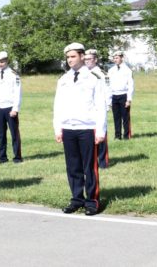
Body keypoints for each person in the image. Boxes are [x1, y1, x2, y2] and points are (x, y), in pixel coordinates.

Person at [53, 42, 107, 216]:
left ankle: (92, 201)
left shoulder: (94, 78)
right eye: (68, 57)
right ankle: (77, 198)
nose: (69, 60)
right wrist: (58, 128)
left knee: (89, 167)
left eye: (73, 56)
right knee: (73, 167)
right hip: (68, 127)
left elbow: (100, 105)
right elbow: (58, 105)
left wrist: (100, 131)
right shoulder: (64, 79)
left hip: (87, 127)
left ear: (82, 56)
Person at [0, 51, 22, 164]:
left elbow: (17, 92)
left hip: (10, 108)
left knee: (14, 133)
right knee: (1, 134)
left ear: (7, 61)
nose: (1, 64)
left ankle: (17, 156)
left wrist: (15, 108)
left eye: (2, 61)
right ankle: (2, 157)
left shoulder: (14, 75)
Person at [84, 49, 111, 169]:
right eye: (85, 59)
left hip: (99, 108)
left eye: (89, 59)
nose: (87, 61)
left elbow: (107, 91)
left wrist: (107, 105)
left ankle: (103, 161)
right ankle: (91, 160)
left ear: (95, 60)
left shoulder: (102, 74)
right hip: (87, 109)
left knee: (101, 134)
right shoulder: (82, 73)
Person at [108, 50, 135, 140]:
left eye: (117, 58)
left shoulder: (127, 70)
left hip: (123, 95)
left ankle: (126, 135)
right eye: (114, 58)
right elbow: (109, 85)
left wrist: (129, 99)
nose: (115, 60)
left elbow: (130, 85)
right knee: (116, 117)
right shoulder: (111, 70)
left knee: (125, 117)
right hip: (114, 95)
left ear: (121, 58)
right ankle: (117, 135)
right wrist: (109, 99)